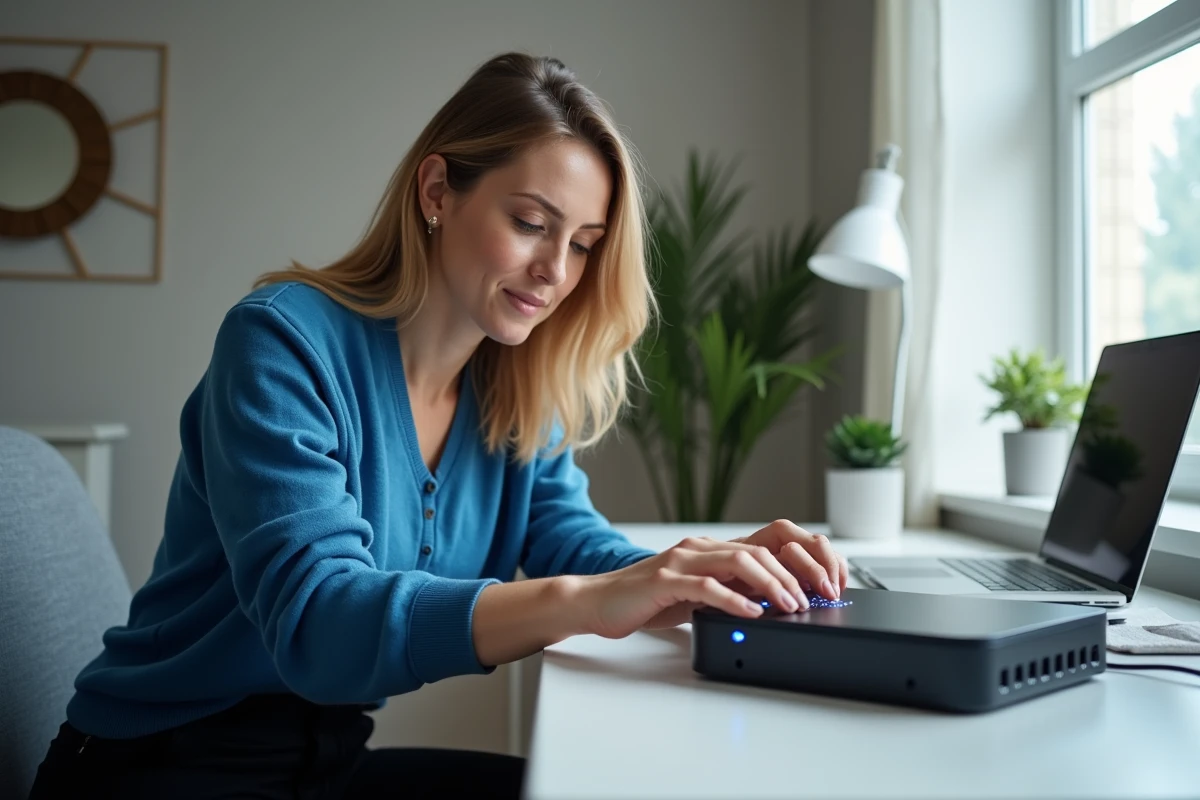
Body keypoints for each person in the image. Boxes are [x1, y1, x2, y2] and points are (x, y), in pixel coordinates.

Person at [29, 52, 848, 799]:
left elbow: (578, 547)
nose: (556, 272)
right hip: (160, 769)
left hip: (329, 762)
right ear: (435, 193)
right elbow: (320, 625)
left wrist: (707, 576)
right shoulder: (281, 341)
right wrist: (593, 597)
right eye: (531, 223)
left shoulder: (514, 385)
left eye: (585, 244)